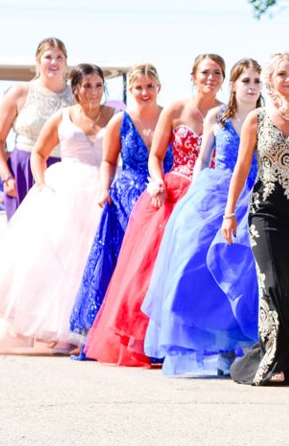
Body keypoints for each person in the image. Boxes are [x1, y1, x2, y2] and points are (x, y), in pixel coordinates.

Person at [0, 64, 114, 353]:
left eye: (97, 85)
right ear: (75, 88)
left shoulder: (114, 117)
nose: (92, 91)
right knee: (59, 259)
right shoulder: (62, 117)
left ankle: (88, 326)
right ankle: (57, 329)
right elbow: (39, 154)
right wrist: (42, 184)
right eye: (86, 85)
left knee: (90, 257)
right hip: (66, 186)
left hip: (100, 190)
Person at [84, 54, 225, 367]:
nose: (210, 78)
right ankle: (149, 341)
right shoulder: (175, 110)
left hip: (212, 193)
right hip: (174, 190)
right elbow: (156, 156)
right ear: (193, 75)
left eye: (217, 73)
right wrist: (157, 182)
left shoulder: (227, 112)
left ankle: (208, 342)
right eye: (205, 72)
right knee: (151, 267)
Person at [140, 59, 264, 375]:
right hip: (216, 192)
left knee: (246, 271)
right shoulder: (217, 116)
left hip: (254, 193)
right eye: (245, 80)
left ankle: (247, 341)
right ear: (233, 84)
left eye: (256, 81)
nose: (251, 86)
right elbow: (202, 160)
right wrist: (192, 200)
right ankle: (221, 345)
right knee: (203, 268)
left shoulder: (267, 118)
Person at [221, 52, 289, 386]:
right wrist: (229, 213)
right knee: (271, 285)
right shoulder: (256, 119)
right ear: (270, 79)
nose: (288, 79)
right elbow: (241, 167)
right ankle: (271, 360)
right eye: (282, 74)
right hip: (265, 210)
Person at [70, 63, 172, 341]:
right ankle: (119, 330)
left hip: (165, 193)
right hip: (127, 195)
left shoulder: (170, 117)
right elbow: (108, 160)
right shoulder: (120, 120)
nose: (144, 91)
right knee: (124, 262)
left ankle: (154, 328)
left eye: (150, 86)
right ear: (130, 90)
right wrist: (104, 189)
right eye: (138, 87)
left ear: (159, 88)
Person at [0, 37, 74, 219]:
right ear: (38, 62)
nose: (54, 62)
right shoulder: (19, 93)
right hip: (23, 171)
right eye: (48, 57)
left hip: (61, 171)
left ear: (66, 63)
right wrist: (6, 176)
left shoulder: (76, 98)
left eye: (59, 57)